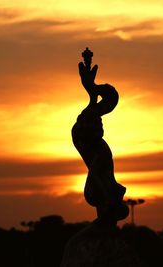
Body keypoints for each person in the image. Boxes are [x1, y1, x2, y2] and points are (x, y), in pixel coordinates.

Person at [72, 48, 129, 224]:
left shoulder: (98, 152)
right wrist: (92, 89)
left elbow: (96, 173)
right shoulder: (98, 150)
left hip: (101, 192)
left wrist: (92, 90)